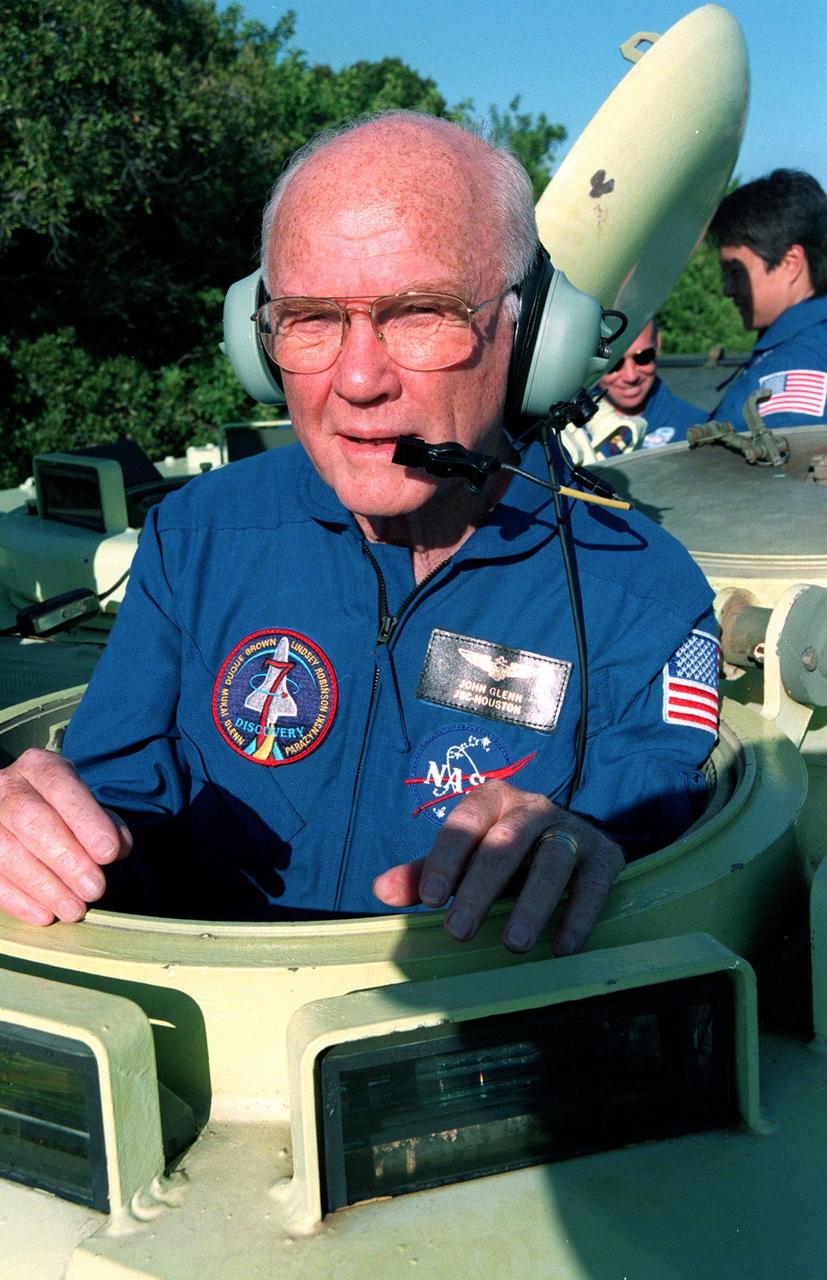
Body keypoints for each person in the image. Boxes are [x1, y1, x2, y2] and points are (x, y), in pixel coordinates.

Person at [0, 112, 719, 956]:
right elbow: (119, 794)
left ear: (532, 337)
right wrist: (43, 830)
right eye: (309, 319)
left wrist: (580, 842)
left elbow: (646, 832)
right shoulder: (198, 534)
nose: (357, 380)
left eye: (420, 313)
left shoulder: (643, 594)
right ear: (257, 343)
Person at [709, 169, 827, 430]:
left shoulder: (797, 363)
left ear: (790, 263)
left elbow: (782, 467)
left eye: (735, 272)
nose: (728, 289)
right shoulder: (796, 347)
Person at [588, 320, 703, 455]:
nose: (631, 377)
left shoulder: (695, 427)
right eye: (613, 363)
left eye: (643, 357)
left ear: (658, 344)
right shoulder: (565, 428)